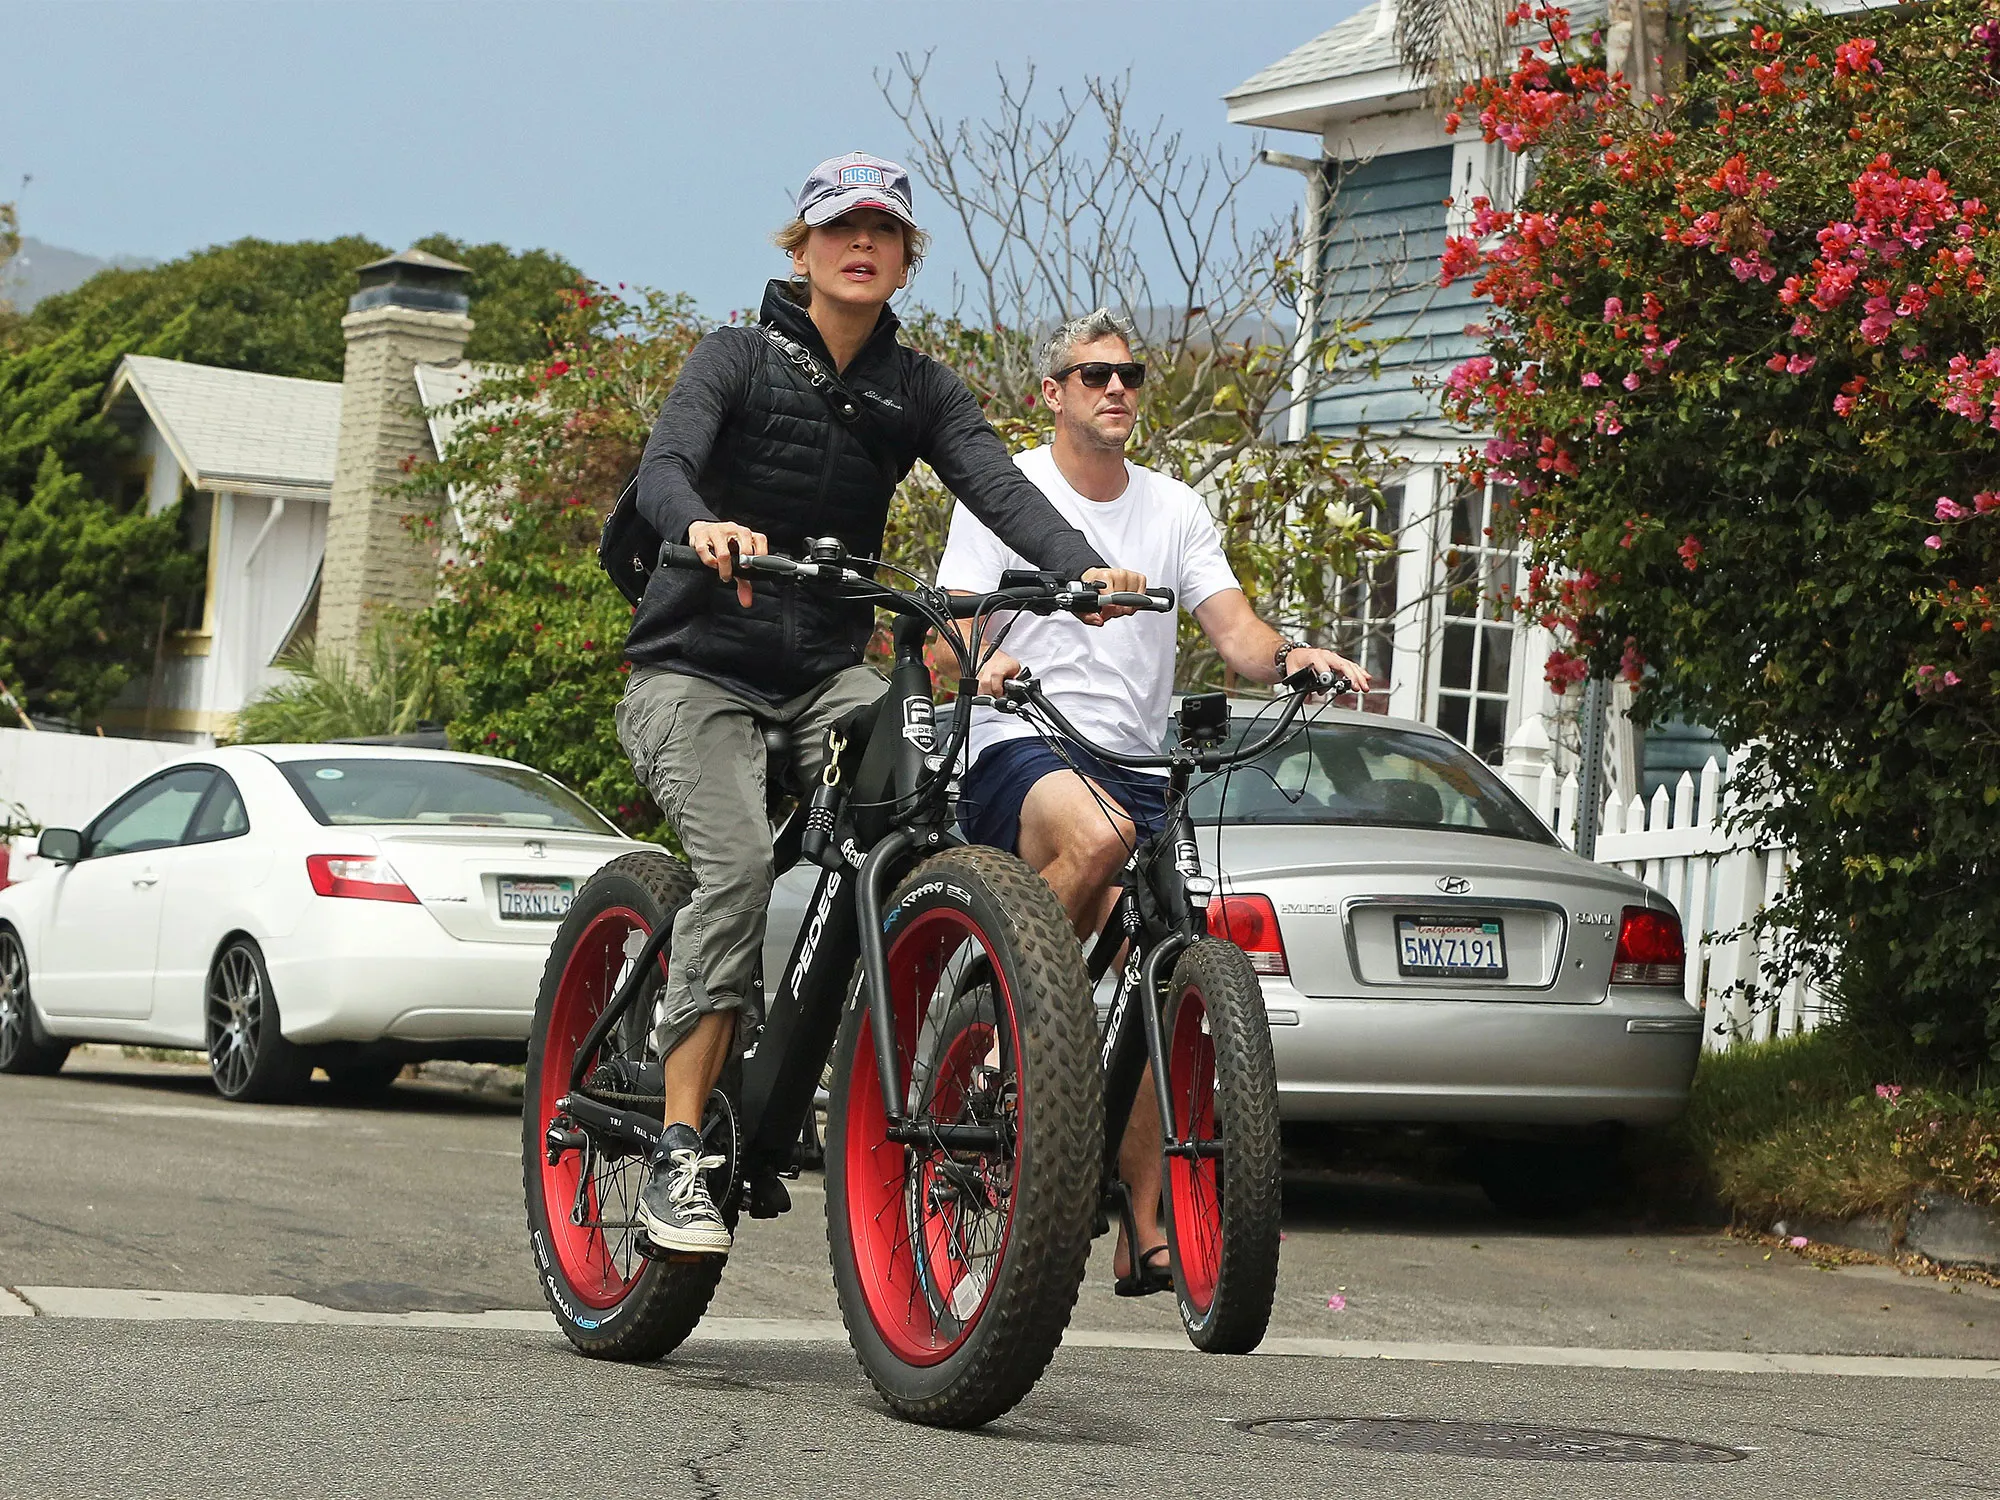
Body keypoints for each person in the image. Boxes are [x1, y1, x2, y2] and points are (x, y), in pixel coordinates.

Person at [617, 156, 1146, 1255]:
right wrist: (703, 524)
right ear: (799, 247)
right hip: (692, 667)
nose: (860, 244)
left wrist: (1079, 568)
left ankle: (938, 1056)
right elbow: (664, 468)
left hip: (823, 670)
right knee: (736, 869)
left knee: (914, 817)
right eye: (838, 227)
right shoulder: (732, 357)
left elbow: (999, 490)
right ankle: (676, 1151)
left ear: (905, 259)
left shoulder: (920, 389)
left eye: (884, 231)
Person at [935, 308, 1370, 1294]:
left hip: (1132, 760)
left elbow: (1236, 632)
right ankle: (1013, 1033)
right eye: (1093, 376)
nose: (1116, 389)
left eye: (1128, 374)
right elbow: (941, 635)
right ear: (1052, 393)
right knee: (1097, 838)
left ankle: (1142, 1221)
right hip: (1019, 743)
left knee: (1151, 977)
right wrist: (988, 663)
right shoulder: (1005, 492)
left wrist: (1293, 656)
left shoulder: (1174, 509)